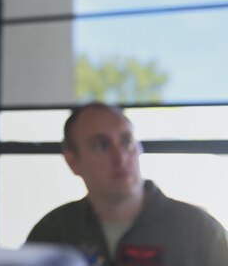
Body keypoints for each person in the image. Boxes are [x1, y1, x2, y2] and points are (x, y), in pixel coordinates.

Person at [26, 102, 227, 265]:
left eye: (126, 141)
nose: (120, 156)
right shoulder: (52, 232)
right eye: (101, 145)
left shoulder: (198, 230)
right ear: (73, 162)